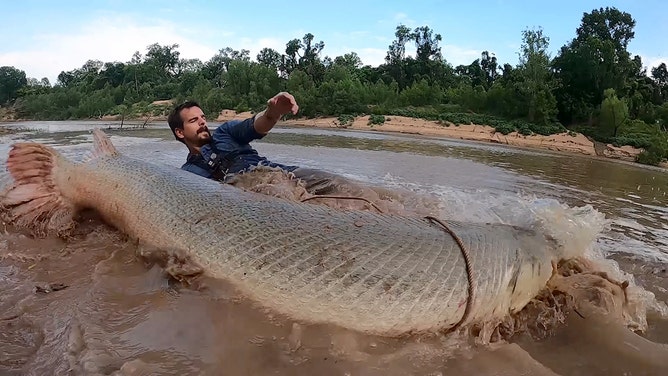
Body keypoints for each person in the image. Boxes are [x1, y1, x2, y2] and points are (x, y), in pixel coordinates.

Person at [167, 92, 363, 196]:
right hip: (251, 195)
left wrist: (273, 113)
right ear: (180, 132)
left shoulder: (225, 133)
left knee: (340, 184)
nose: (202, 122)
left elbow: (256, 125)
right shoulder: (187, 174)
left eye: (203, 117)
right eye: (194, 120)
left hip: (281, 174)